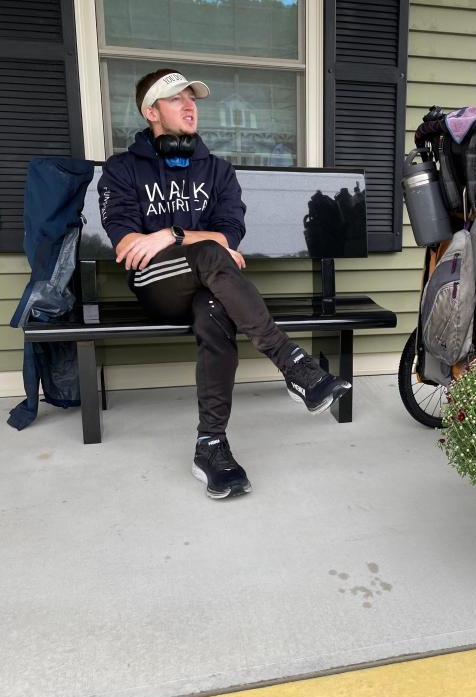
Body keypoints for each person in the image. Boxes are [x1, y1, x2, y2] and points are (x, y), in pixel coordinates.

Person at [97, 68, 351, 501]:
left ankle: (210, 446)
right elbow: (128, 246)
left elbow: (230, 234)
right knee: (214, 260)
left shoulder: (217, 170)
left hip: (208, 287)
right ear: (150, 112)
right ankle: (294, 366)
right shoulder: (122, 170)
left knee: (214, 311)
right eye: (176, 98)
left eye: (192, 98)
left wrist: (170, 235)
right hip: (156, 284)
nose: (190, 105)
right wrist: (188, 240)